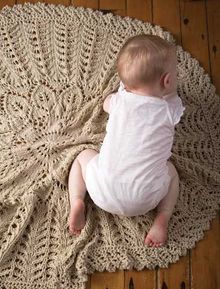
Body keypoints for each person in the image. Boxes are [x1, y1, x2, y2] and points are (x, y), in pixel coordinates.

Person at [67, 34, 185, 247]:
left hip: (102, 191)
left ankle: (77, 200)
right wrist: (167, 91)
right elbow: (172, 99)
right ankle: (162, 217)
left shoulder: (119, 101)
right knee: (171, 173)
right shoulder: (170, 110)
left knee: (82, 156)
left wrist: (116, 96)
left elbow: (106, 104)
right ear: (167, 80)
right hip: (145, 198)